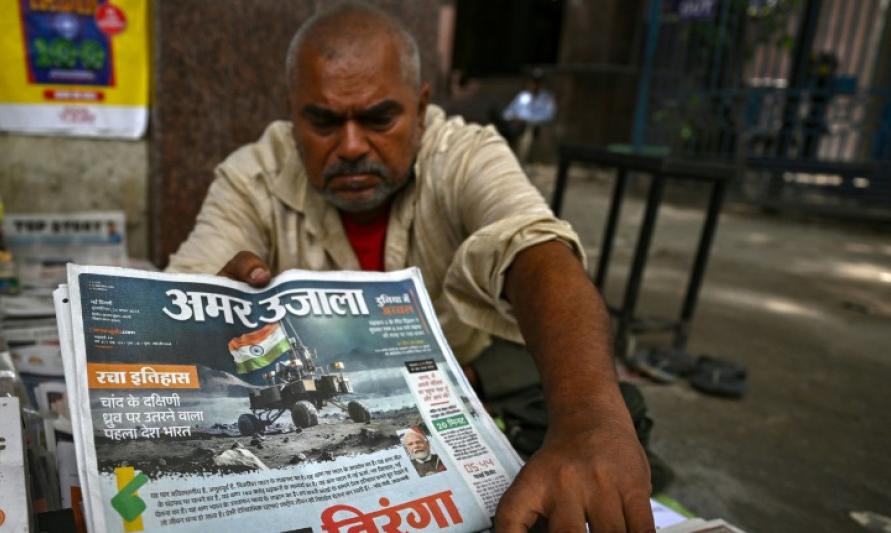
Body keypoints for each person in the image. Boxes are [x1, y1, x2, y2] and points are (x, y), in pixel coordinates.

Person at [166, 2, 654, 531]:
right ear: (292, 115)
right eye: (324, 121)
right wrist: (211, 300)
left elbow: (538, 253)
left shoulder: (464, 154)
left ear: (421, 110)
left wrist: (588, 424)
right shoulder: (249, 177)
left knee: (614, 406)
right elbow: (184, 285)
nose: (351, 146)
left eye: (379, 118)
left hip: (469, 373)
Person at [495, 68, 557, 163]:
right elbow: (509, 111)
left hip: (531, 127)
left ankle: (520, 162)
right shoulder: (523, 96)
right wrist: (512, 118)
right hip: (515, 125)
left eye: (538, 82)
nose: (535, 84)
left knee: (527, 136)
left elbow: (548, 116)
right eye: (533, 81)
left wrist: (526, 119)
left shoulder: (547, 98)